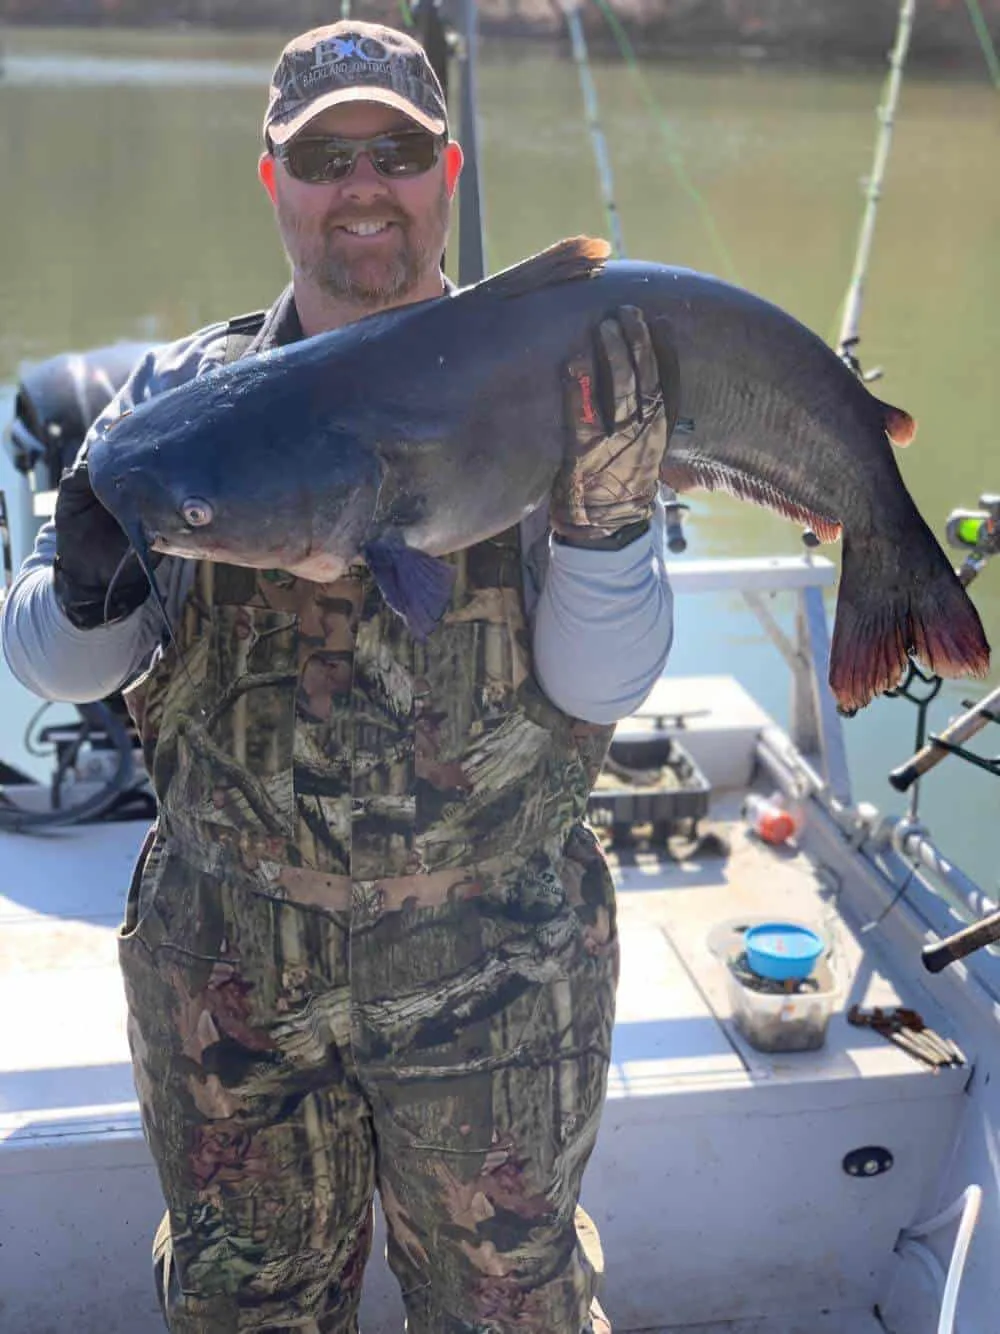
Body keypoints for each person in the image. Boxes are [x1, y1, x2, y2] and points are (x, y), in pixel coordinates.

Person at [0, 21, 674, 1334]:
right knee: (249, 1310)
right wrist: (89, 573)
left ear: (447, 172)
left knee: (508, 1312)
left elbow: (611, 680)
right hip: (230, 980)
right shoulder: (178, 403)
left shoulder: (557, 383)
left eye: (396, 150)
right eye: (323, 155)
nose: (362, 182)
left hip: (503, 972)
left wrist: (602, 521)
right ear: (274, 183)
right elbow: (50, 661)